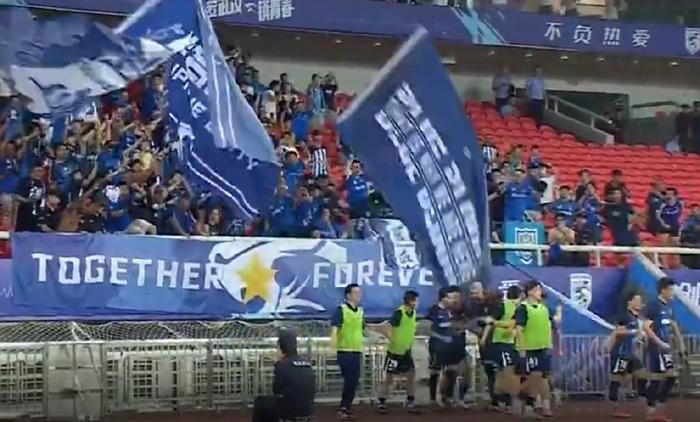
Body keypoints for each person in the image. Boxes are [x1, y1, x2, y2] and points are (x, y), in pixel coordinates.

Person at [643, 277, 685, 422]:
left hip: (665, 348)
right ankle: (651, 412)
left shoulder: (669, 306)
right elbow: (646, 327)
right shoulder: (654, 305)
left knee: (668, 377)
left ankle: (656, 410)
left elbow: (673, 325)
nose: (673, 293)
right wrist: (659, 342)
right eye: (671, 290)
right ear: (663, 290)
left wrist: (681, 344)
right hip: (657, 348)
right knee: (661, 378)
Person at [252, 329, 315, 422]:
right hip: (308, 409)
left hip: (290, 410)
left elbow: (276, 390)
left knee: (261, 402)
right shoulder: (307, 363)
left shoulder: (282, 364)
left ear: (281, 347)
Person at [514, 280, 554, 418]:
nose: (540, 292)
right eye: (537, 290)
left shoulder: (543, 308)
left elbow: (551, 324)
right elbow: (519, 330)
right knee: (534, 376)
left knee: (540, 377)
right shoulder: (523, 308)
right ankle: (524, 401)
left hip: (542, 348)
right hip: (529, 349)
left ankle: (526, 402)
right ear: (530, 292)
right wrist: (522, 348)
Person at [377, 290, 420, 414]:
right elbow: (387, 327)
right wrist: (391, 338)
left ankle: (410, 401)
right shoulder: (399, 313)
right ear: (411, 301)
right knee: (389, 378)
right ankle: (381, 402)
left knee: (411, 375)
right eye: (416, 301)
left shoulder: (413, 313)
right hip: (394, 353)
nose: (418, 303)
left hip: (406, 352)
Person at [608, 293, 647, 419]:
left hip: (632, 354)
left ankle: (643, 396)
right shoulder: (625, 316)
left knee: (642, 375)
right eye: (637, 300)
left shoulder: (637, 318)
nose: (640, 303)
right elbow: (617, 332)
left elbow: (637, 336)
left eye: (640, 300)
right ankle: (615, 408)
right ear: (629, 303)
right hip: (622, 353)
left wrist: (641, 338)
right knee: (617, 380)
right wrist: (633, 332)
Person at [485, 284, 522, 414]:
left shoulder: (512, 307)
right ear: (519, 296)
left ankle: (501, 399)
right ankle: (504, 400)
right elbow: (492, 322)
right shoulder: (505, 306)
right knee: (506, 371)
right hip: (502, 343)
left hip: (508, 343)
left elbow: (492, 322)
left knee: (505, 371)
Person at [331, 284, 365, 420]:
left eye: (359, 292)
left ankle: (346, 406)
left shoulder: (360, 311)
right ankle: (344, 407)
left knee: (354, 380)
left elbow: (364, 328)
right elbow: (334, 329)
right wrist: (332, 346)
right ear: (348, 295)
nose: (359, 295)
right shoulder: (341, 310)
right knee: (350, 379)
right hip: (344, 350)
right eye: (356, 293)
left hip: (356, 350)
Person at [426, 286, 459, 409]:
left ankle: (447, 397)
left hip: (450, 347)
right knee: (435, 371)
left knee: (452, 370)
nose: (452, 300)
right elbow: (428, 330)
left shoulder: (453, 311)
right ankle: (433, 399)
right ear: (443, 298)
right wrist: (442, 338)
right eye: (450, 297)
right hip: (436, 346)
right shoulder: (433, 310)